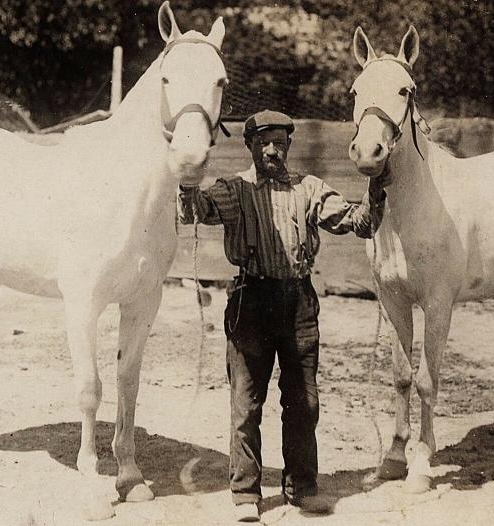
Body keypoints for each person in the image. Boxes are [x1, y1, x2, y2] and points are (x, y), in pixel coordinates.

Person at [177, 110, 389, 522]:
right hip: (250, 303)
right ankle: (245, 494)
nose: (272, 150)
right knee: (245, 403)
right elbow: (193, 211)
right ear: (250, 146)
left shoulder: (310, 189)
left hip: (298, 304)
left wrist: (376, 182)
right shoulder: (234, 189)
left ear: (289, 146)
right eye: (263, 142)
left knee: (303, 402)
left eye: (280, 142)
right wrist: (187, 178)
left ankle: (302, 488)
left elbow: (360, 223)